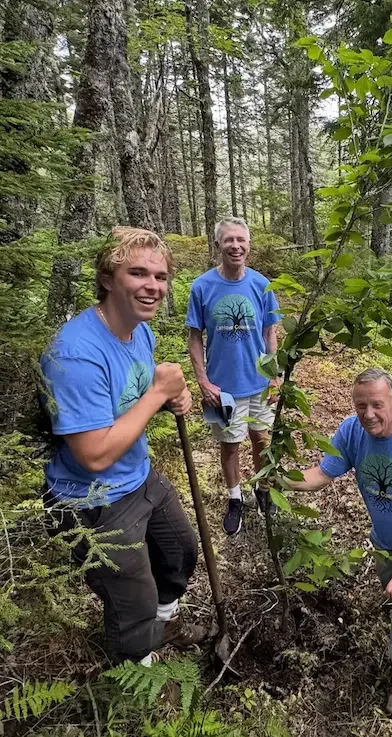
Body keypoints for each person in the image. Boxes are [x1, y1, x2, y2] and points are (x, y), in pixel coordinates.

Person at [40, 227, 205, 666]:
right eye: (138, 273)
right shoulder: (75, 354)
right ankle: (139, 670)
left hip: (136, 474)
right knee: (132, 600)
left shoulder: (139, 332)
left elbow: (134, 400)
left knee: (179, 553)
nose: (153, 286)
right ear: (107, 279)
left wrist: (171, 399)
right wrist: (158, 393)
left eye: (161, 276)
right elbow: (93, 455)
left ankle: (164, 625)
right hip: (91, 498)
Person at [289, 369, 392, 718]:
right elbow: (321, 475)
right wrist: (281, 479)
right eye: (360, 405)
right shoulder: (352, 431)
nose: (368, 414)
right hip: (385, 541)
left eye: (377, 405)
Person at [186, 216, 281, 535]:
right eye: (229, 240)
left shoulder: (261, 285)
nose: (235, 246)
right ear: (218, 244)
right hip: (222, 388)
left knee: (262, 440)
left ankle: (263, 489)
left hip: (259, 384)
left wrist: (274, 375)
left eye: (241, 240)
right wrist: (202, 381)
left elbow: (270, 332)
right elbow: (194, 336)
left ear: (249, 244)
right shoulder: (202, 287)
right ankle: (235, 498)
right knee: (229, 445)